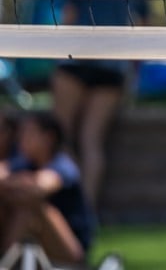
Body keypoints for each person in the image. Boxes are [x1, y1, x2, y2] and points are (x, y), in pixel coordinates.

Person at [50, 0, 150, 207]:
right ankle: (85, 208)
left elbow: (68, 20)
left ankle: (66, 209)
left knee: (63, 137)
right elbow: (144, 30)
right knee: (91, 141)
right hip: (111, 68)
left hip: (77, 63)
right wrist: (134, 75)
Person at [0, 110, 95, 268]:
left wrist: (10, 184)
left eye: (29, 133)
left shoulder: (63, 165)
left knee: (32, 205)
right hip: (38, 244)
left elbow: (41, 187)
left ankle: (5, 259)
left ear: (48, 138)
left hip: (70, 249)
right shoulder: (23, 163)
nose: (21, 138)